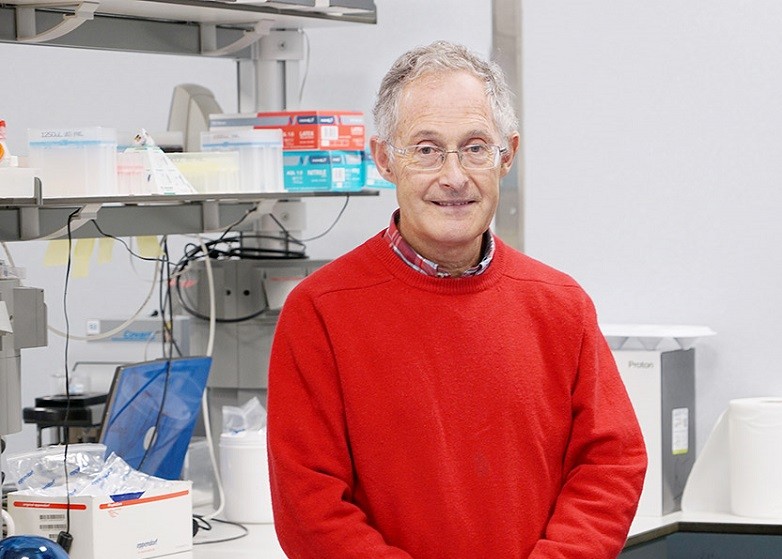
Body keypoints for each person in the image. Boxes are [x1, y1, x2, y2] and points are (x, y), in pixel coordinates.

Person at [266, 40, 647, 559]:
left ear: (506, 156)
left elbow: (611, 464)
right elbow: (309, 507)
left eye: (475, 147)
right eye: (426, 149)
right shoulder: (320, 311)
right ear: (385, 159)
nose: (453, 176)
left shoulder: (561, 305)